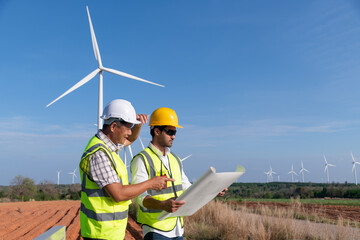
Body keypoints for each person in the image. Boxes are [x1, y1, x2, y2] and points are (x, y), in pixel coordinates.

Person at [79, 99, 173, 240]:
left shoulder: (110, 146)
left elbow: (130, 140)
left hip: (110, 234)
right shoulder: (99, 154)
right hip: (100, 234)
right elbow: (118, 194)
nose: (130, 132)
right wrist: (150, 183)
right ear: (114, 126)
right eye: (128, 127)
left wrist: (138, 125)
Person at [131, 107, 226, 240]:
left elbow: (187, 187)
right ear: (156, 131)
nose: (174, 136)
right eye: (170, 132)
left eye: (175, 132)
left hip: (177, 228)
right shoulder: (141, 159)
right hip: (156, 229)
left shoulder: (175, 159)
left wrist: (213, 190)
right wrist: (162, 205)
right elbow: (139, 197)